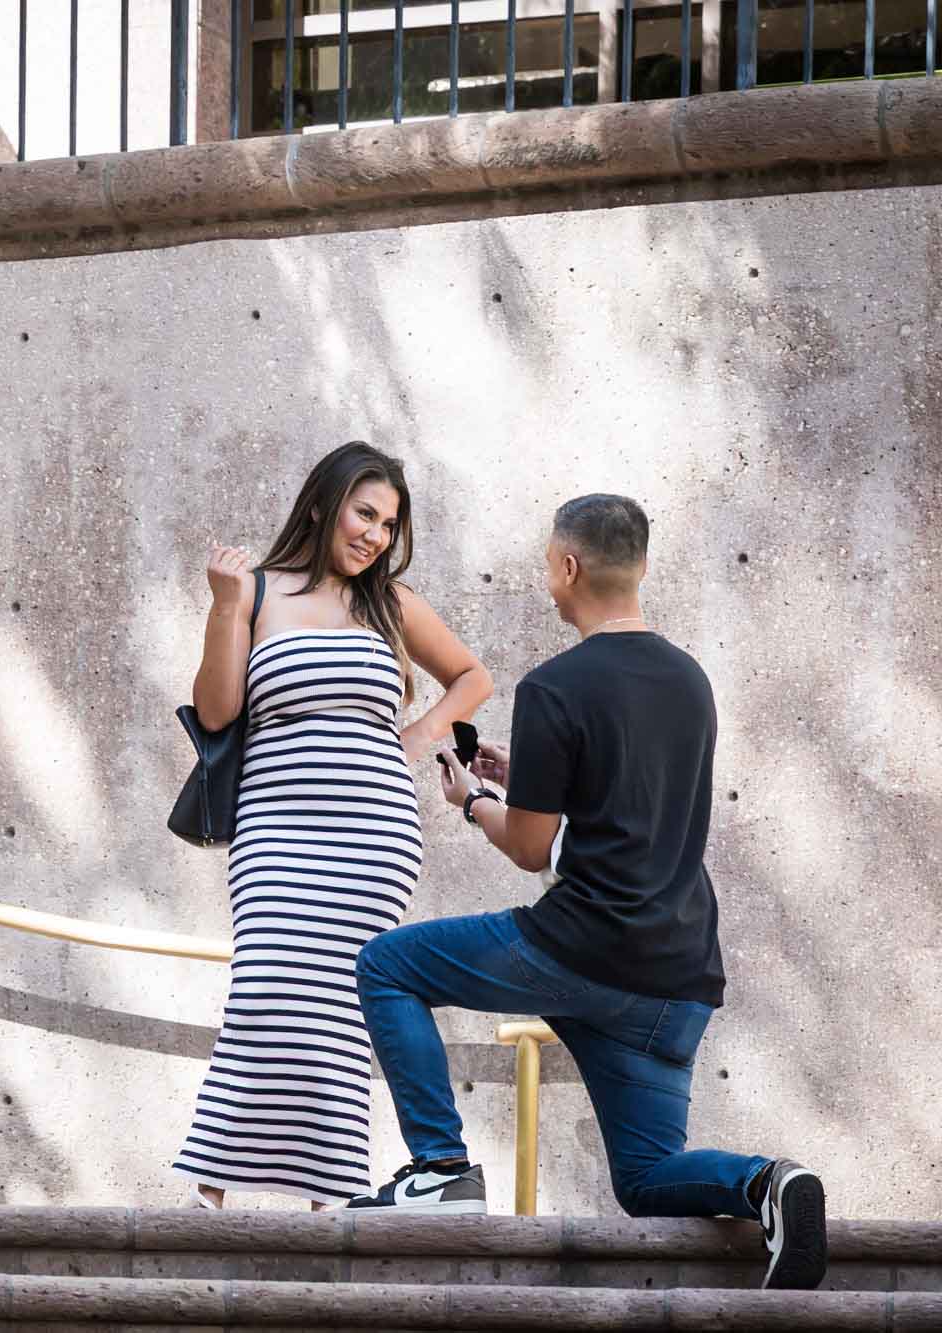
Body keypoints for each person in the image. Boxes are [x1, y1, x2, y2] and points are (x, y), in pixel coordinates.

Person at [348, 494, 827, 1291]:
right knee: (645, 1179)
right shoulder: (690, 681)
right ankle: (769, 1182)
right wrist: (526, 778)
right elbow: (628, 819)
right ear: (639, 566)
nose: (549, 580)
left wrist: (473, 801)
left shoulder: (555, 687)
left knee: (388, 966)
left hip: (579, 948)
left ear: (568, 567)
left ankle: (441, 1169)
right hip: (677, 978)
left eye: (548, 566)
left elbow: (531, 848)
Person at [172, 442, 492, 1210]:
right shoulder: (254, 591)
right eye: (365, 513)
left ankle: (331, 1199)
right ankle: (210, 1191)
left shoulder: (391, 603)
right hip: (277, 828)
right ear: (323, 504)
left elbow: (472, 677)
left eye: (389, 522)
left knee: (343, 1009)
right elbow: (217, 711)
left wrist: (412, 741)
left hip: (373, 833)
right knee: (265, 988)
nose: (376, 534)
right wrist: (223, 604)